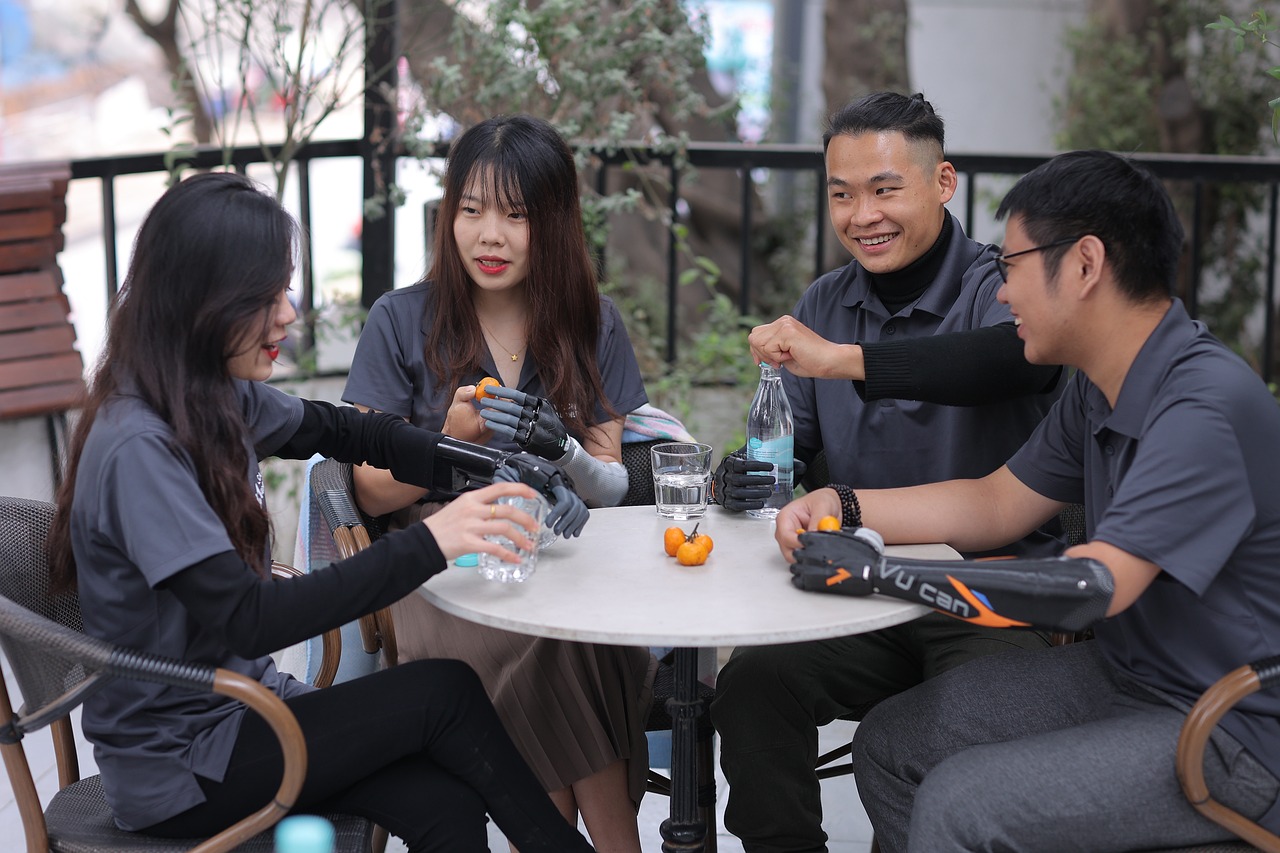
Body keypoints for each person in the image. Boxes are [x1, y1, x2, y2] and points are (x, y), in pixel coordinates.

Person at [45, 171, 597, 853]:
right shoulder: (139, 445)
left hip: (240, 716)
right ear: (203, 302)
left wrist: (495, 464)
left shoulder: (207, 395)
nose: (288, 315)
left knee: (442, 801)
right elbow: (253, 615)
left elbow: (352, 432)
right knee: (443, 691)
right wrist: (433, 539)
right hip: (182, 768)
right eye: (266, 296)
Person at [784, 149, 1280, 851]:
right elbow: (995, 503)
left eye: (1013, 265)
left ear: (1083, 265)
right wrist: (842, 505)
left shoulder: (1203, 406)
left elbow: (1091, 585)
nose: (1004, 292)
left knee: (962, 804)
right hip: (1130, 678)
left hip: (1234, 726)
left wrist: (877, 570)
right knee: (893, 744)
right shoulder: (1097, 383)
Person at [707, 91, 1065, 853]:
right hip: (859, 594)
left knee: (933, 745)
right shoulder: (824, 302)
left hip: (989, 598)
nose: (861, 214)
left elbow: (1009, 361)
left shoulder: (1001, 289)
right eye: (841, 194)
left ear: (943, 183)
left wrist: (844, 360)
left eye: (883, 188)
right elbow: (788, 453)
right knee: (752, 684)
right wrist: (742, 475)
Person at [342, 114, 654, 851]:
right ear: (448, 214)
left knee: (572, 631)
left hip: (560, 565)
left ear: (554, 222)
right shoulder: (400, 320)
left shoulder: (591, 322)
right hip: (439, 576)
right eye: (472, 210)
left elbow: (609, 481)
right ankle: (615, 840)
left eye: (516, 216)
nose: (490, 235)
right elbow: (367, 489)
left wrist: (566, 461)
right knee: (559, 643)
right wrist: (451, 442)